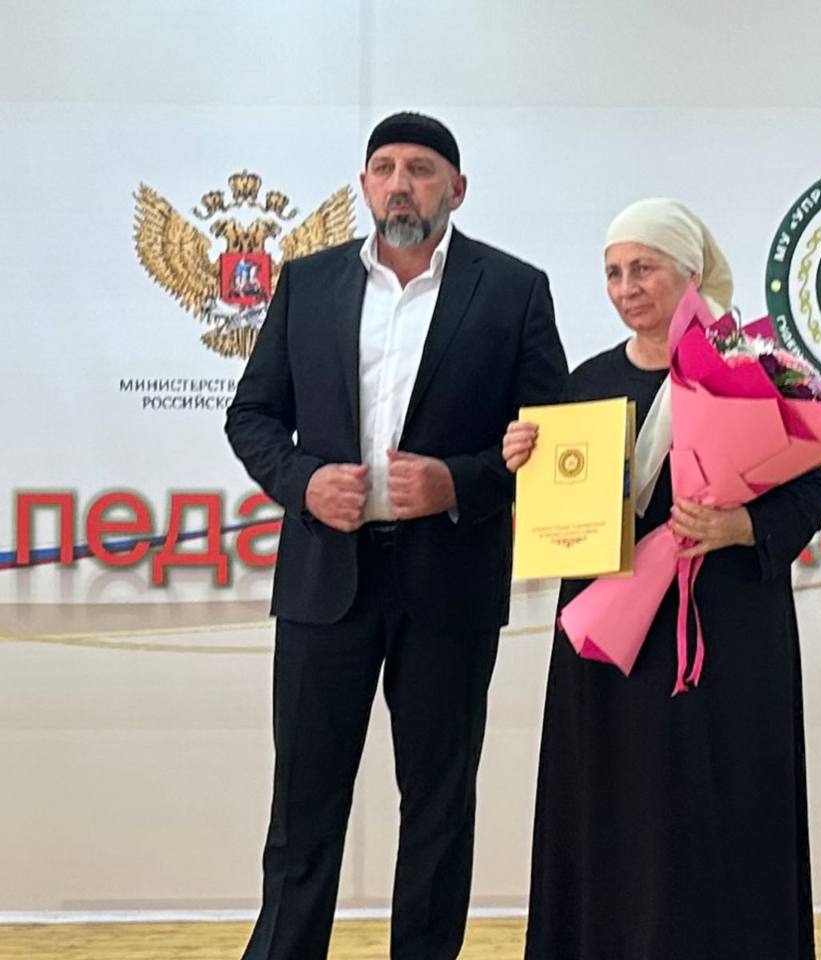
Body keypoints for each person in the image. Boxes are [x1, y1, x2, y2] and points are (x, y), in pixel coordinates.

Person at [225, 111, 568, 960]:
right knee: (302, 811)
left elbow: (556, 440)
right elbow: (252, 415)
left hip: (449, 583)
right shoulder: (308, 283)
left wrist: (460, 482)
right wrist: (303, 482)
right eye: (383, 168)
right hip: (324, 584)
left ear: (457, 188)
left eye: (420, 168)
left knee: (439, 813)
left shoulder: (514, 290)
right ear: (364, 186)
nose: (400, 184)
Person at [503, 198, 821, 960]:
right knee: (612, 809)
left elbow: (813, 486)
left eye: (643, 268)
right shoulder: (584, 383)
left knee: (722, 806)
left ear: (690, 272)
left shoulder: (758, 367)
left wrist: (740, 526)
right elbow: (562, 516)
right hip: (611, 642)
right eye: (614, 273)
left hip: (725, 638)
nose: (627, 288)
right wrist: (525, 465)